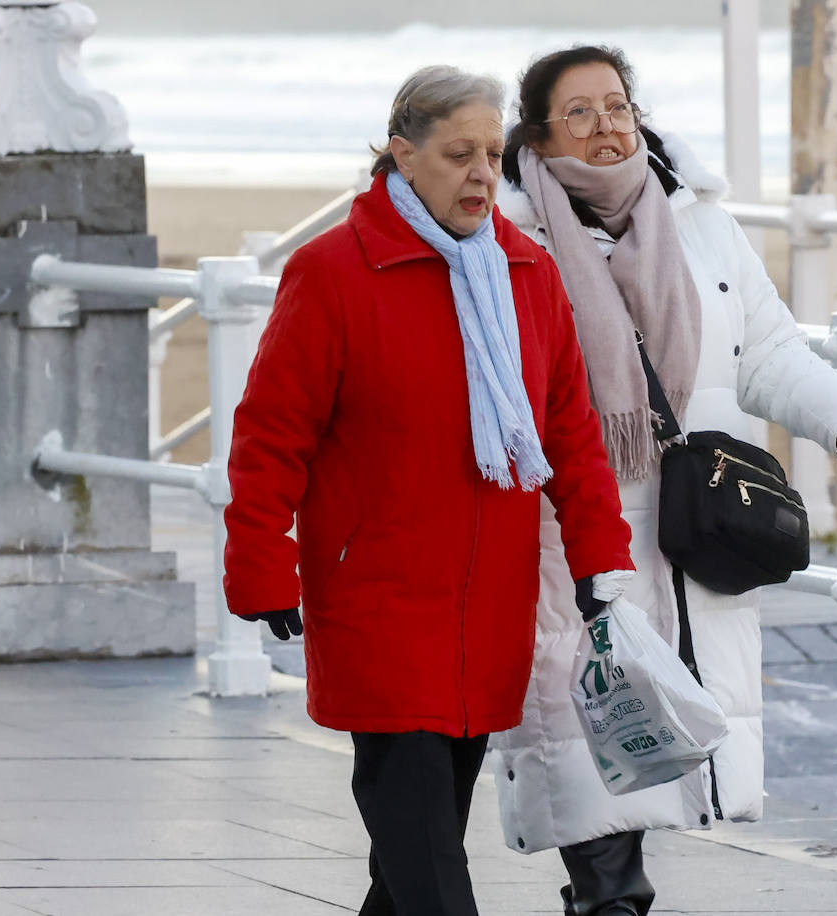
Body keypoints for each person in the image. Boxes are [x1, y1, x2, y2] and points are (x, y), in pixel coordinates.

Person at [490, 45, 837, 916]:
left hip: (685, 514)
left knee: (674, 691)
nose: (606, 127)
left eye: (617, 106)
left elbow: (771, 349)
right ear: (537, 130)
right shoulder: (508, 234)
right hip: (568, 516)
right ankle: (608, 896)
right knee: (583, 698)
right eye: (580, 113)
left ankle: (615, 894)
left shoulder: (701, 223)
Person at [221, 64, 635, 916]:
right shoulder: (332, 271)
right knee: (428, 858)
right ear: (404, 157)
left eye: (492, 152)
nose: (484, 172)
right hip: (376, 595)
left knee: (420, 844)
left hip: (488, 606)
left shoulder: (527, 272)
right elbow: (271, 434)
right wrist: (261, 564)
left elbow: (571, 436)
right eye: (459, 154)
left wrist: (601, 554)